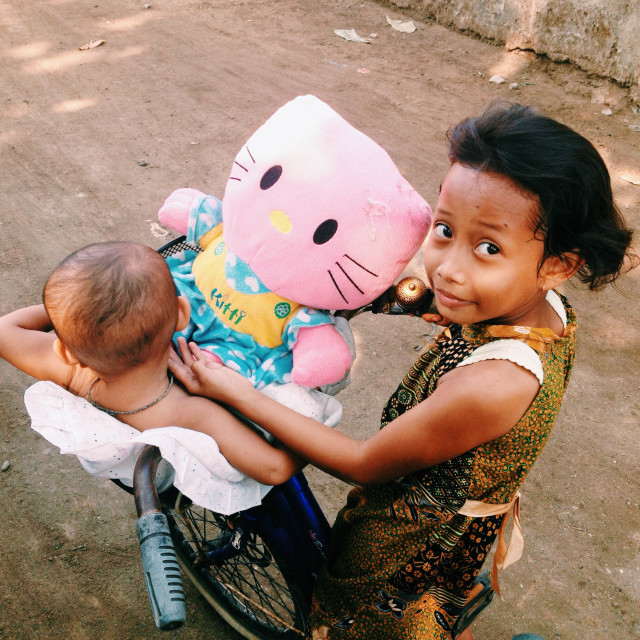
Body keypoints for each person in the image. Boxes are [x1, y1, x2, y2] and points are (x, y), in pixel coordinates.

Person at [167, 102, 636, 640]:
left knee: (358, 625)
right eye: (443, 229)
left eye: (488, 247)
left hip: (405, 551)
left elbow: (365, 463)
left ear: (560, 264)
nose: (447, 269)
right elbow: (447, 286)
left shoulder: (494, 385)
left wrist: (238, 393)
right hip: (455, 517)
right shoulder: (537, 309)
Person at [0, 241, 302, 487]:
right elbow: (274, 470)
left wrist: (79, 320)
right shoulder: (190, 411)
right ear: (182, 313)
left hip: (138, 475)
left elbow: (4, 331)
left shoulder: (70, 371)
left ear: (66, 352)